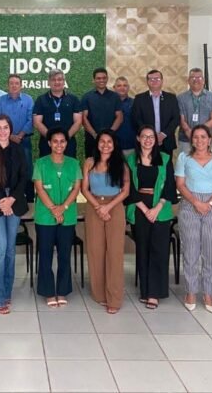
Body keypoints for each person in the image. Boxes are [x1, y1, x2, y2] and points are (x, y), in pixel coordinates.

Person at [175, 125, 212, 313]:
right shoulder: (184, 157)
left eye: (203, 137)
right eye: (196, 137)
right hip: (190, 203)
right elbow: (180, 184)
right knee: (190, 250)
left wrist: (210, 204)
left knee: (210, 250)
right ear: (191, 140)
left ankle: (208, 292)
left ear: (209, 140)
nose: (199, 140)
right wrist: (196, 202)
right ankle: (190, 291)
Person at [0, 115, 29, 314]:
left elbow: (24, 177)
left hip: (14, 202)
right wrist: (2, 200)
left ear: (10, 129)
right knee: (0, 249)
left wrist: (11, 199)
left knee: (10, 249)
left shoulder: (19, 149)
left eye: (5, 127)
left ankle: (7, 291)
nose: (2, 131)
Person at [126, 125, 177, 309]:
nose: (148, 140)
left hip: (160, 209)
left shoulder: (165, 158)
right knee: (143, 249)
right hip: (138, 207)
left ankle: (155, 293)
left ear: (156, 140)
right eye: (144, 136)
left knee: (159, 251)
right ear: (138, 139)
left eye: (151, 137)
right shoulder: (130, 160)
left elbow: (169, 186)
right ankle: (145, 291)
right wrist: (143, 208)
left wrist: (156, 209)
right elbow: (129, 187)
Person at [81, 129, 130, 314]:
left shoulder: (121, 165)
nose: (106, 145)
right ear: (97, 143)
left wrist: (107, 207)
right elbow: (84, 189)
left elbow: (125, 191)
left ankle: (114, 298)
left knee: (114, 253)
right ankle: (99, 294)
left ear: (114, 144)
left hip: (114, 207)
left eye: (109, 142)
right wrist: (98, 207)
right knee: (96, 251)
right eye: (102, 141)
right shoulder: (89, 162)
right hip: (94, 207)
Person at [33, 128, 82, 307]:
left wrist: (63, 208)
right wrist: (54, 210)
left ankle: (62, 290)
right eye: (55, 141)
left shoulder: (74, 163)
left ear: (66, 144)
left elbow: (76, 188)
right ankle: (47, 291)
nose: (59, 144)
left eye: (62, 141)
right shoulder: (40, 163)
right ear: (49, 143)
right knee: (45, 255)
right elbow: (39, 188)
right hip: (45, 216)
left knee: (64, 254)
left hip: (67, 216)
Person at [0, 74, 34, 202]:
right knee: (7, 169)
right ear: (8, 85)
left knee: (26, 169)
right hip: (5, 141)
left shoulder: (28, 100)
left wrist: (20, 135)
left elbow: (31, 119)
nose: (14, 85)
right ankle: (8, 199)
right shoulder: (1, 100)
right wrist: (10, 136)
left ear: (21, 85)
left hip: (24, 141)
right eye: (11, 83)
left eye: (16, 83)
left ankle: (29, 199)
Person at [33, 68, 82, 158]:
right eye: (53, 80)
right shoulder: (41, 100)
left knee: (69, 166)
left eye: (59, 79)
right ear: (49, 82)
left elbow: (78, 122)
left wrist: (64, 139)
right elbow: (37, 122)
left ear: (64, 81)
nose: (57, 82)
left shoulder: (73, 99)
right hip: (47, 144)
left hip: (68, 144)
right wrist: (52, 139)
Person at [130, 70, 180, 155]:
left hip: (166, 140)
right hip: (146, 141)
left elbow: (176, 119)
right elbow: (136, 119)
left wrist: (163, 135)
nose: (154, 81)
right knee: (147, 163)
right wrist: (150, 135)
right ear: (147, 82)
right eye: (151, 79)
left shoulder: (171, 98)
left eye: (157, 79)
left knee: (166, 163)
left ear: (162, 81)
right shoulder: (139, 99)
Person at [177, 68, 212, 154]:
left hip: (205, 139)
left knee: (205, 161)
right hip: (186, 138)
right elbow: (181, 120)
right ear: (188, 80)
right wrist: (189, 133)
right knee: (186, 161)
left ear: (203, 80)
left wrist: (199, 133)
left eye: (199, 78)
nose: (196, 80)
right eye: (193, 77)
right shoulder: (180, 98)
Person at [81, 67, 123, 156]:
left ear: (107, 79)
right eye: (98, 78)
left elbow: (119, 116)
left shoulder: (115, 96)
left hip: (110, 140)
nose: (101, 80)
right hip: (92, 139)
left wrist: (109, 134)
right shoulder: (86, 97)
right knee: (92, 163)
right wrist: (94, 134)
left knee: (112, 163)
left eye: (104, 78)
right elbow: (83, 118)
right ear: (93, 80)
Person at [113, 76, 136, 158]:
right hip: (112, 146)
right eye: (119, 85)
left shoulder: (135, 103)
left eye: (125, 85)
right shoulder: (108, 104)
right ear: (114, 88)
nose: (122, 88)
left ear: (128, 87)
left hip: (132, 146)